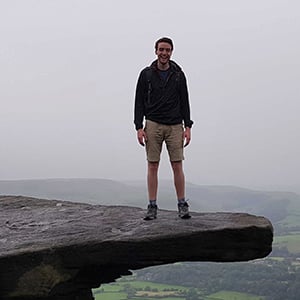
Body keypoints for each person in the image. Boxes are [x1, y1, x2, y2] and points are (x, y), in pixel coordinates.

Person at [134, 37, 193, 220]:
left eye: (167, 50)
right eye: (161, 49)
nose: (164, 53)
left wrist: (188, 126)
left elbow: (185, 101)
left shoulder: (178, 75)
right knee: (153, 165)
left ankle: (182, 204)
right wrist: (138, 126)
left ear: (172, 52)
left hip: (175, 125)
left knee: (177, 164)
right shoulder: (146, 74)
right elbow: (138, 101)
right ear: (155, 51)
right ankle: (152, 206)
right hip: (152, 123)